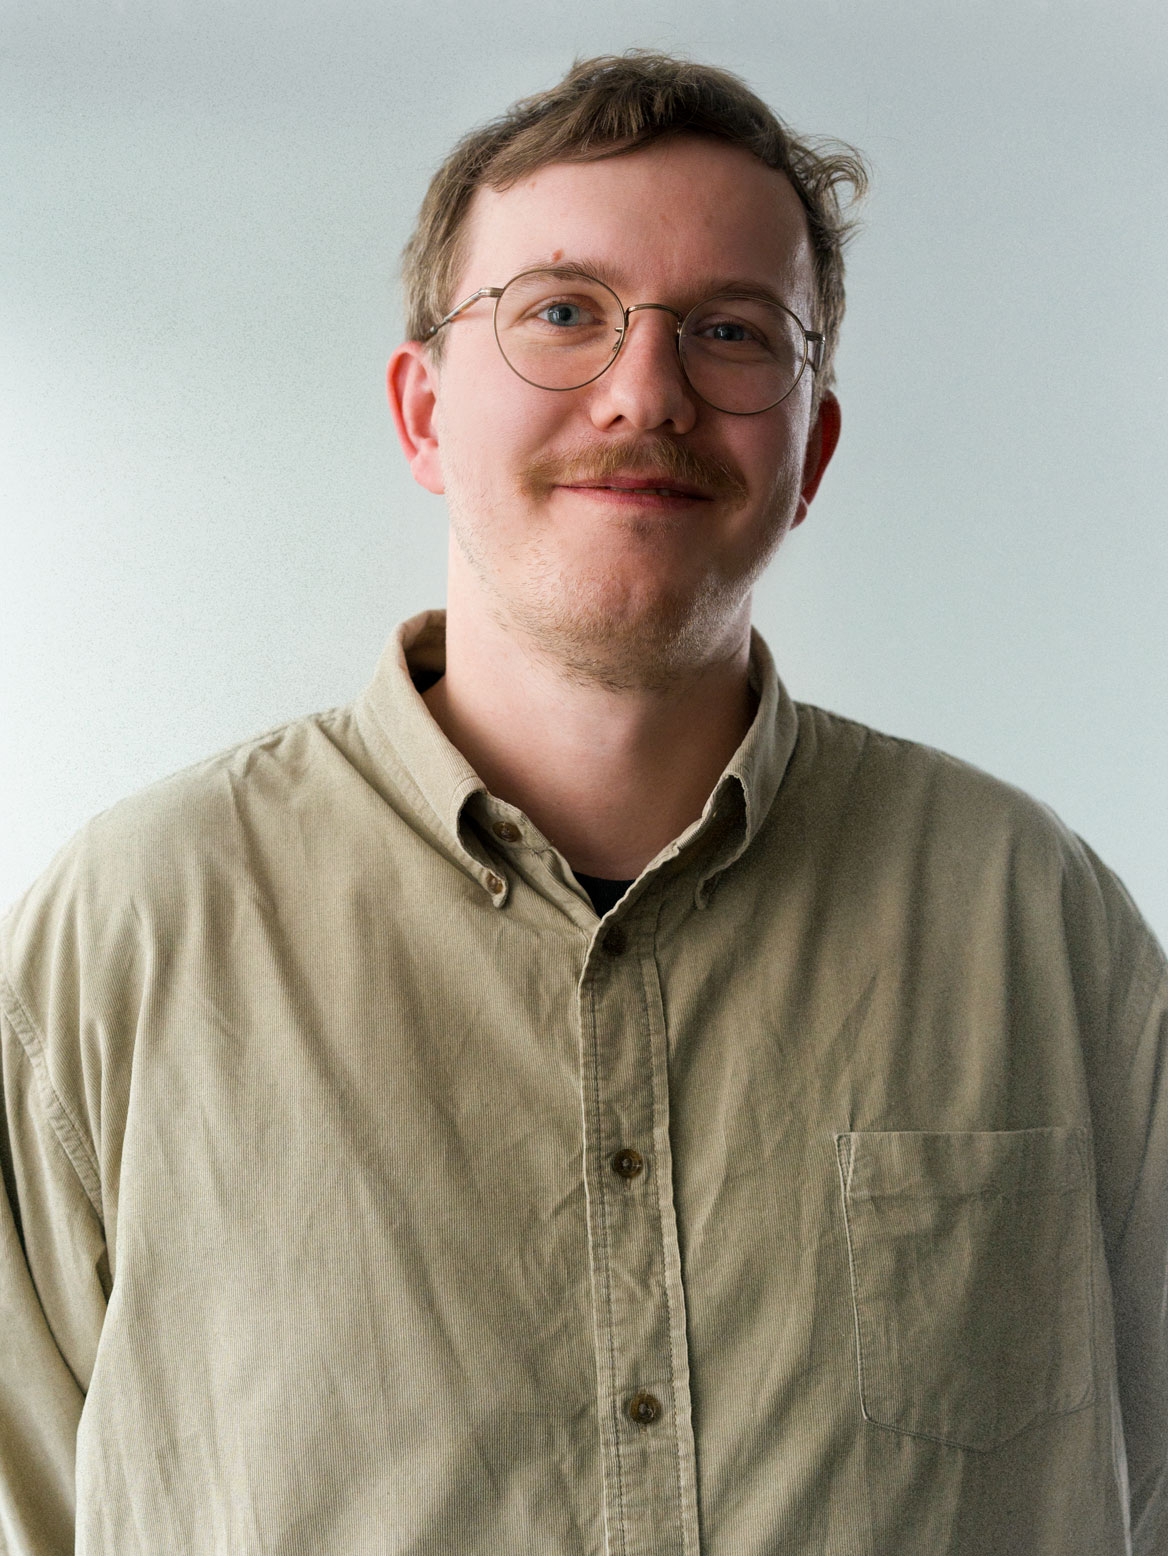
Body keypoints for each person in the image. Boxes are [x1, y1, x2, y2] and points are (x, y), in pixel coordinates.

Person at [2, 48, 1164, 1556]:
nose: (645, 392)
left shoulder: (1037, 924)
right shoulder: (124, 941)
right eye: (563, 312)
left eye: (733, 333)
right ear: (422, 413)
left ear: (807, 450)